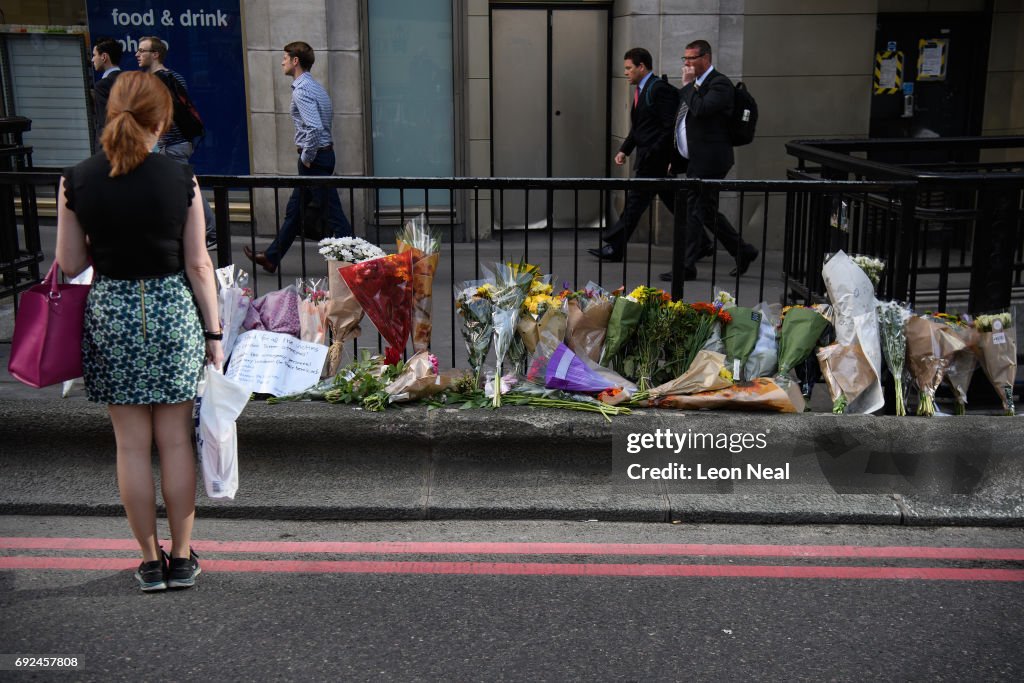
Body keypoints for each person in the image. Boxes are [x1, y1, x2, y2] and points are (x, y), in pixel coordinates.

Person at [56, 71, 223, 592]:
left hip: (113, 313)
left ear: (111, 113)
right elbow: (199, 266)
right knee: (175, 441)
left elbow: (68, 262)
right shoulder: (182, 179)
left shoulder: (76, 178)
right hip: (172, 312)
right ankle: (182, 556)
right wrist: (214, 335)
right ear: (163, 119)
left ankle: (149, 563)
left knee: (130, 445)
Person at [244, 41, 353, 274]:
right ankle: (271, 258)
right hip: (322, 155)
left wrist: (306, 157)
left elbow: (314, 128)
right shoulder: (315, 87)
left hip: (314, 159)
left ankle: (361, 263)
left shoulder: (302, 91)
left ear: (295, 61)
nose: (282, 61)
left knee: (333, 214)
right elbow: (325, 120)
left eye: (285, 57)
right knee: (295, 211)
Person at [660, 40, 758, 282]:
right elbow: (685, 123)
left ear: (706, 59)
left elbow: (701, 109)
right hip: (696, 159)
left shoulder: (720, 84)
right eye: (685, 59)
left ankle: (686, 267)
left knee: (694, 211)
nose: (687, 63)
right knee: (705, 211)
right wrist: (676, 158)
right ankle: (743, 251)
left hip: (712, 160)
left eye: (691, 59)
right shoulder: (696, 86)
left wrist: (685, 87)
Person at [588, 47, 681, 263]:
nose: (626, 72)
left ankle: (615, 247)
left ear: (642, 67)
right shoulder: (642, 89)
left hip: (654, 161)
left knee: (635, 203)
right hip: (650, 159)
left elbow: (669, 128)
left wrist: (652, 153)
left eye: (629, 68)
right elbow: (640, 127)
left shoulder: (658, 89)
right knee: (675, 203)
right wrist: (624, 149)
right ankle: (703, 243)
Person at [136, 36, 217, 249]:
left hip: (170, 144)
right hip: (181, 142)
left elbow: (160, 114)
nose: (137, 54)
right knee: (177, 188)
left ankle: (211, 231)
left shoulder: (154, 80)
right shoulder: (176, 76)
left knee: (188, 187)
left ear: (155, 54)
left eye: (142, 50)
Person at [90, 37, 123, 139]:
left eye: (94, 55)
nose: (92, 59)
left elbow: (105, 123)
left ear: (104, 57)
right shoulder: (132, 81)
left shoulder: (102, 85)